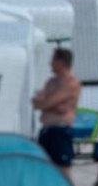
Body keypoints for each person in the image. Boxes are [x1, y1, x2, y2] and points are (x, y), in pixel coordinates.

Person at [31, 49, 82, 177]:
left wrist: (46, 103)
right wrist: (52, 105)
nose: (50, 64)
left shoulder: (71, 83)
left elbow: (47, 103)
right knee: (43, 168)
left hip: (60, 131)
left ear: (61, 62)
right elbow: (37, 103)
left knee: (62, 169)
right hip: (47, 130)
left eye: (53, 60)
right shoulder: (51, 82)